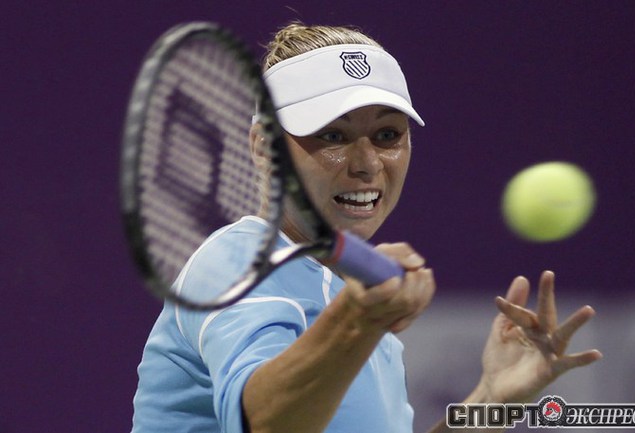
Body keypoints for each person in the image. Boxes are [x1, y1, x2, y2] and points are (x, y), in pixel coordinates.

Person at [131, 22, 602, 433]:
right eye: (332, 135)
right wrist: (359, 321)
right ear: (262, 146)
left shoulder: (355, 313)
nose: (367, 164)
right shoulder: (241, 262)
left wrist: (492, 400)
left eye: (387, 135)